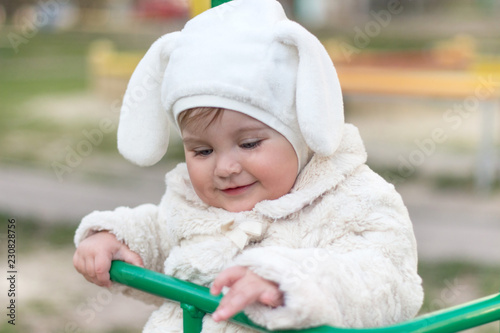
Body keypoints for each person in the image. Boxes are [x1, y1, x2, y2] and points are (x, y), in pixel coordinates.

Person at [73, 0, 423, 331]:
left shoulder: (352, 199)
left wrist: (288, 279)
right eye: (202, 151)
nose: (225, 167)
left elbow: (386, 279)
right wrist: (118, 238)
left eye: (249, 143)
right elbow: (163, 233)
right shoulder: (196, 202)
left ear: (300, 131)